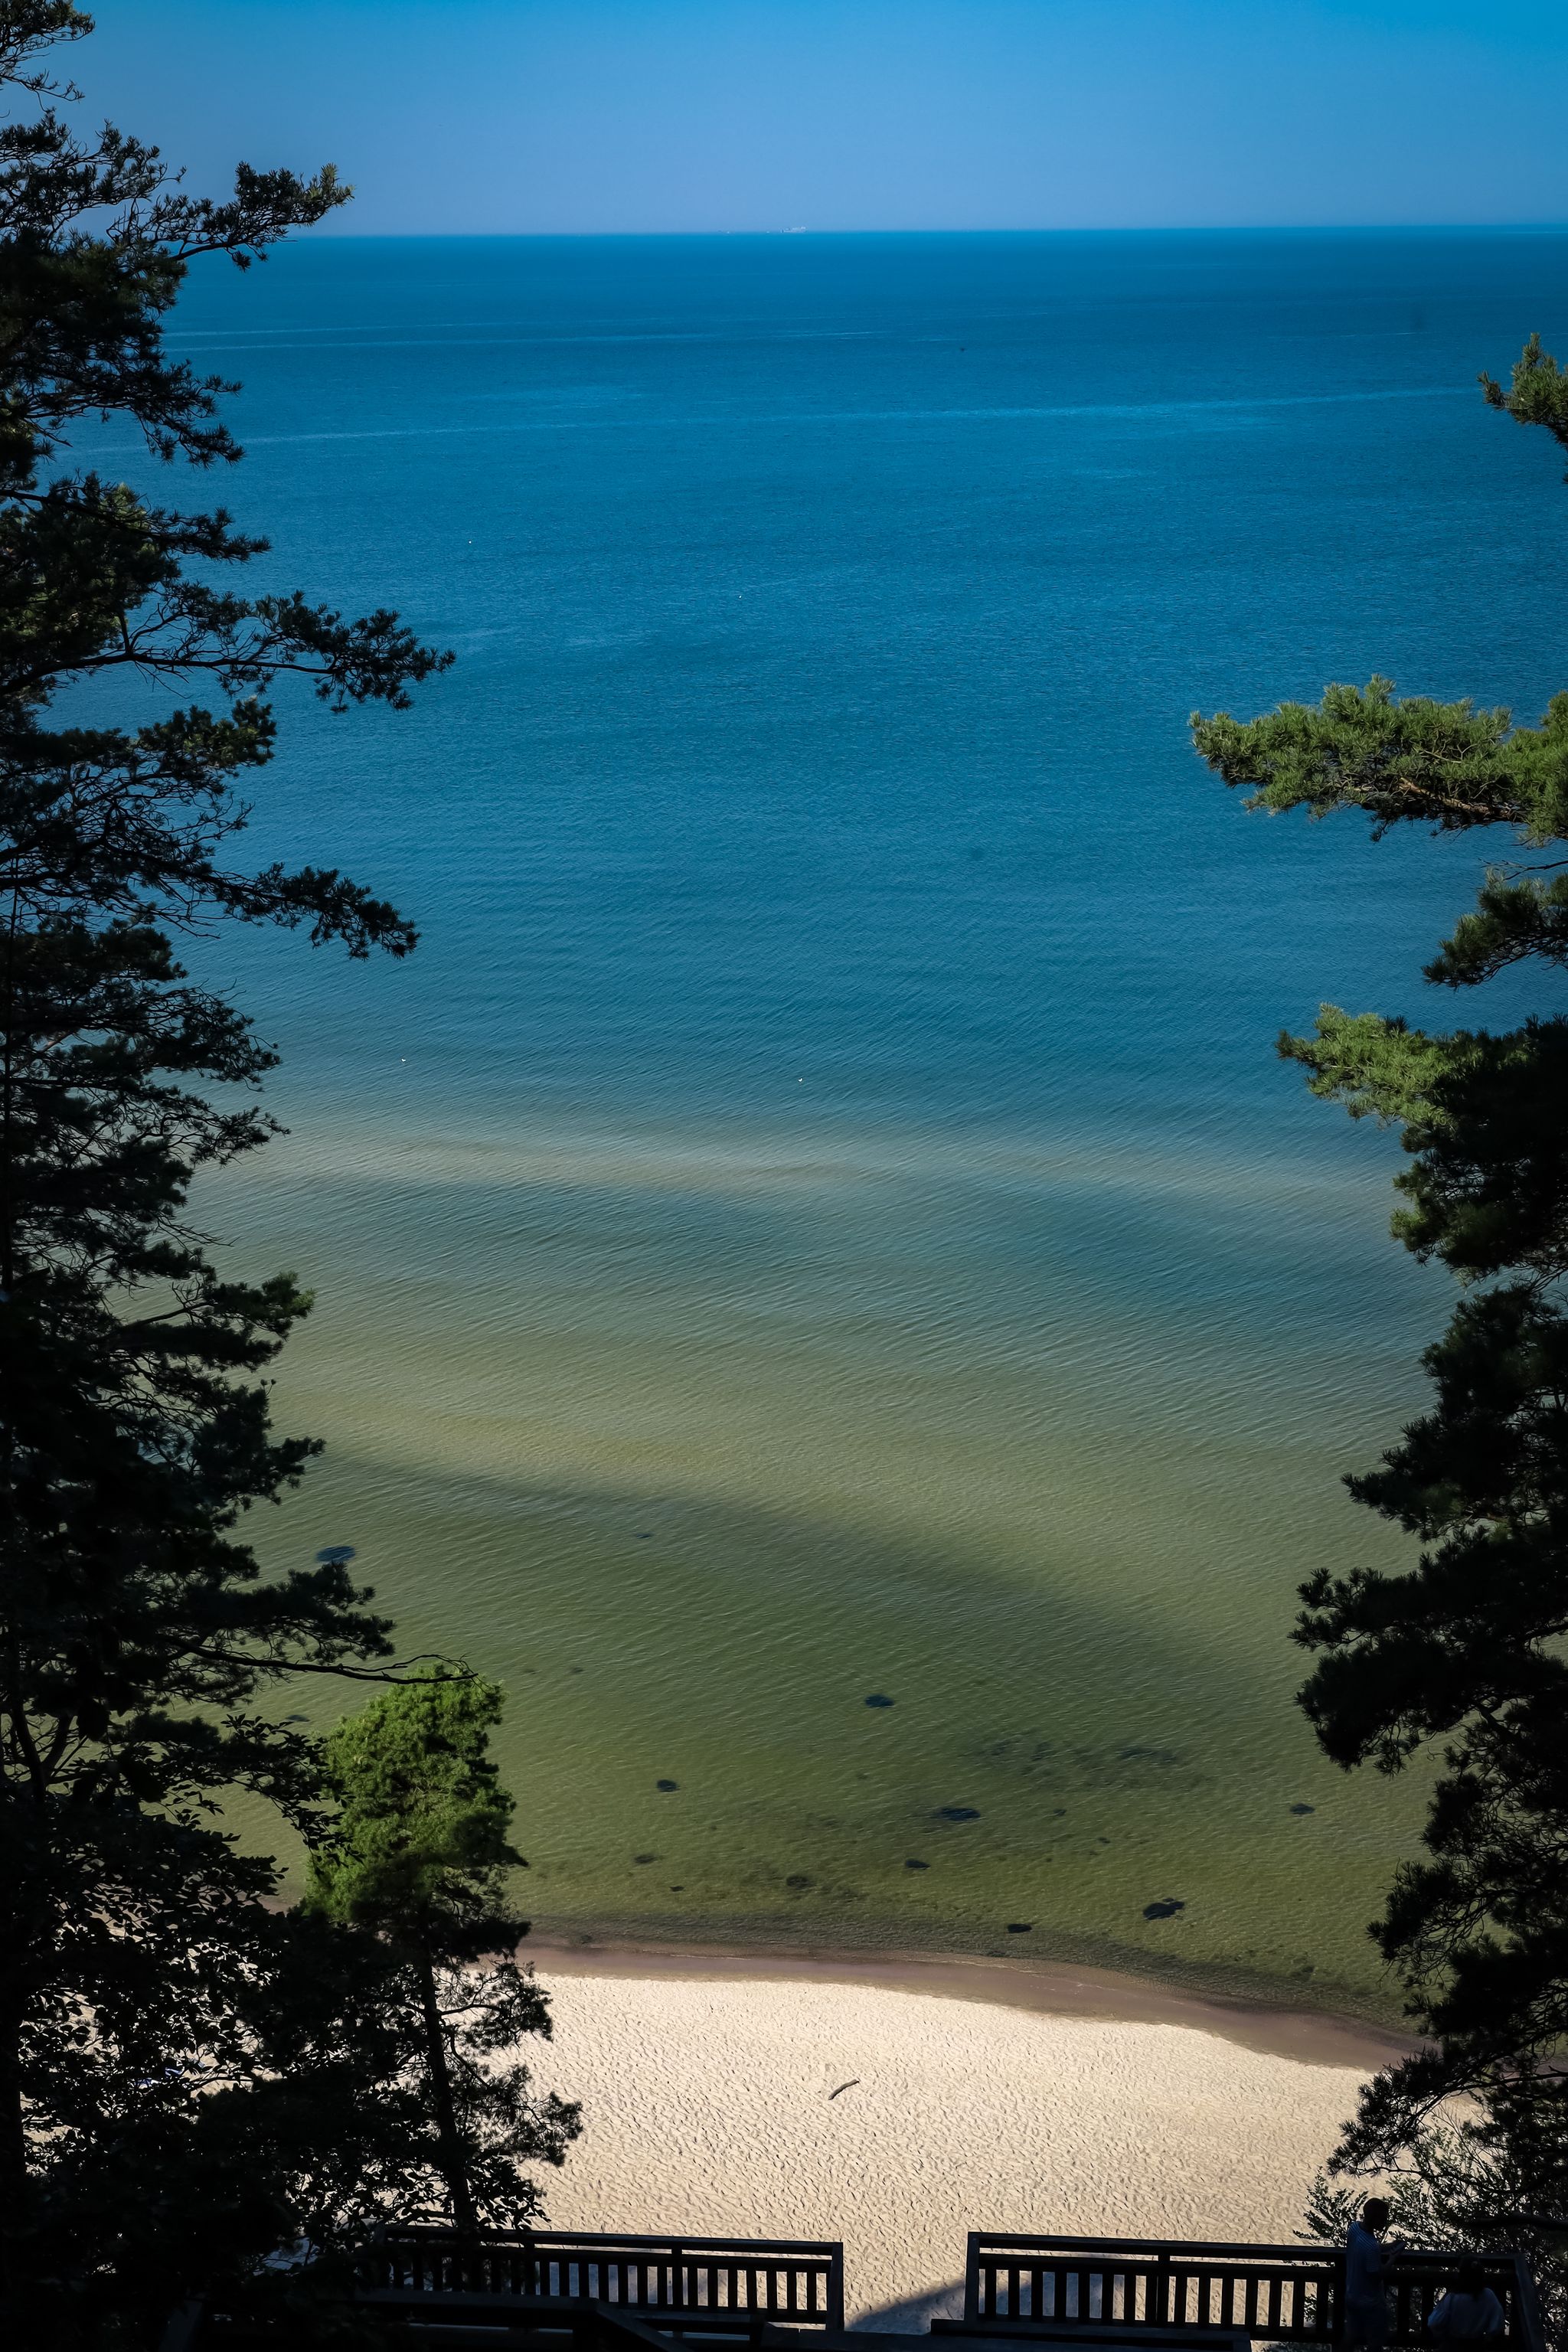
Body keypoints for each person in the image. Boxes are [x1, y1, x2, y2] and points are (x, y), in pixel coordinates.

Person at [1344, 2199, 1400, 2349]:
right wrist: (1392, 2259)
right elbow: (1377, 2274)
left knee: (1351, 2337)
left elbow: (1365, 2249)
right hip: (1370, 2303)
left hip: (1351, 2295)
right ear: (1373, 2218)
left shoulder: (1354, 2229)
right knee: (1376, 2342)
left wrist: (1387, 2247)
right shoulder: (1371, 2247)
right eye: (1383, 2218)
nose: (1385, 2221)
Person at [1426, 2265, 1507, 2341]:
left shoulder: (1452, 2297)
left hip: (1452, 2344)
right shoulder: (1488, 2295)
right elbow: (1497, 2326)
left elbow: (1434, 2323)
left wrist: (1442, 2335)